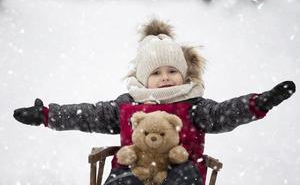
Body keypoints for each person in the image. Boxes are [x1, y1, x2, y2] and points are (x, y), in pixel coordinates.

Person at [13, 19, 296, 185]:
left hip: (181, 170)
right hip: (131, 169)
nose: (165, 78)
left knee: (183, 178)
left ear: (184, 74)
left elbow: (224, 114)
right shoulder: (127, 105)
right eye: (156, 73)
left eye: (173, 71)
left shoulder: (194, 104)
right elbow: (87, 115)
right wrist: (47, 115)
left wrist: (259, 103)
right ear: (142, 78)